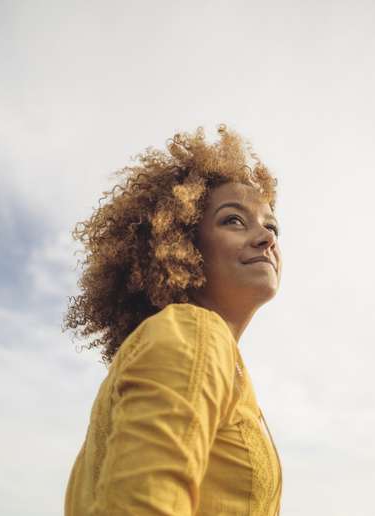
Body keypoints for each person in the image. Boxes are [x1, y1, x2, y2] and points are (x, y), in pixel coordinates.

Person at [63, 125, 283, 516]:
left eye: (272, 226)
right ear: (182, 243)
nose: (266, 238)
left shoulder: (205, 351)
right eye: (234, 220)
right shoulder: (194, 332)